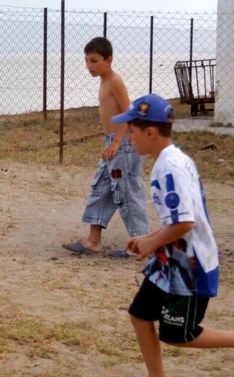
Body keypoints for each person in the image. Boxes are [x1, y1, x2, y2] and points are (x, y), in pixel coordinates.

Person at [112, 93, 234, 377]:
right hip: (171, 261)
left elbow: (185, 222)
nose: (129, 136)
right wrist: (152, 238)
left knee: (180, 334)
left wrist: (149, 241)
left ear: (149, 132)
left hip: (189, 266)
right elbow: (180, 219)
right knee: (140, 313)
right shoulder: (172, 159)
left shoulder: (169, 167)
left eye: (131, 131)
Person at [63, 37, 149, 258]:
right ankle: (93, 242)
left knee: (127, 192)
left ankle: (140, 246)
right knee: (101, 188)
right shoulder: (103, 80)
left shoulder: (114, 81)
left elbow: (129, 114)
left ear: (108, 60)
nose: (89, 66)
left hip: (124, 146)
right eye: (87, 61)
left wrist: (117, 142)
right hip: (111, 143)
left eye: (94, 61)